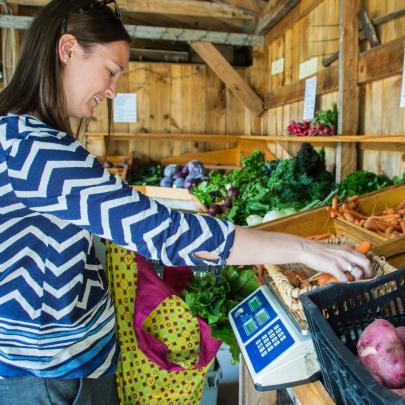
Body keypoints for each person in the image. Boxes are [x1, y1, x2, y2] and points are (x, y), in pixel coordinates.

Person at [0, 0, 371, 403]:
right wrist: (303, 248)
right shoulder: (35, 150)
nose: (111, 91)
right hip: (52, 374)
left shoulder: (21, 136)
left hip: (65, 359)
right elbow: (167, 233)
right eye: (111, 71)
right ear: (68, 50)